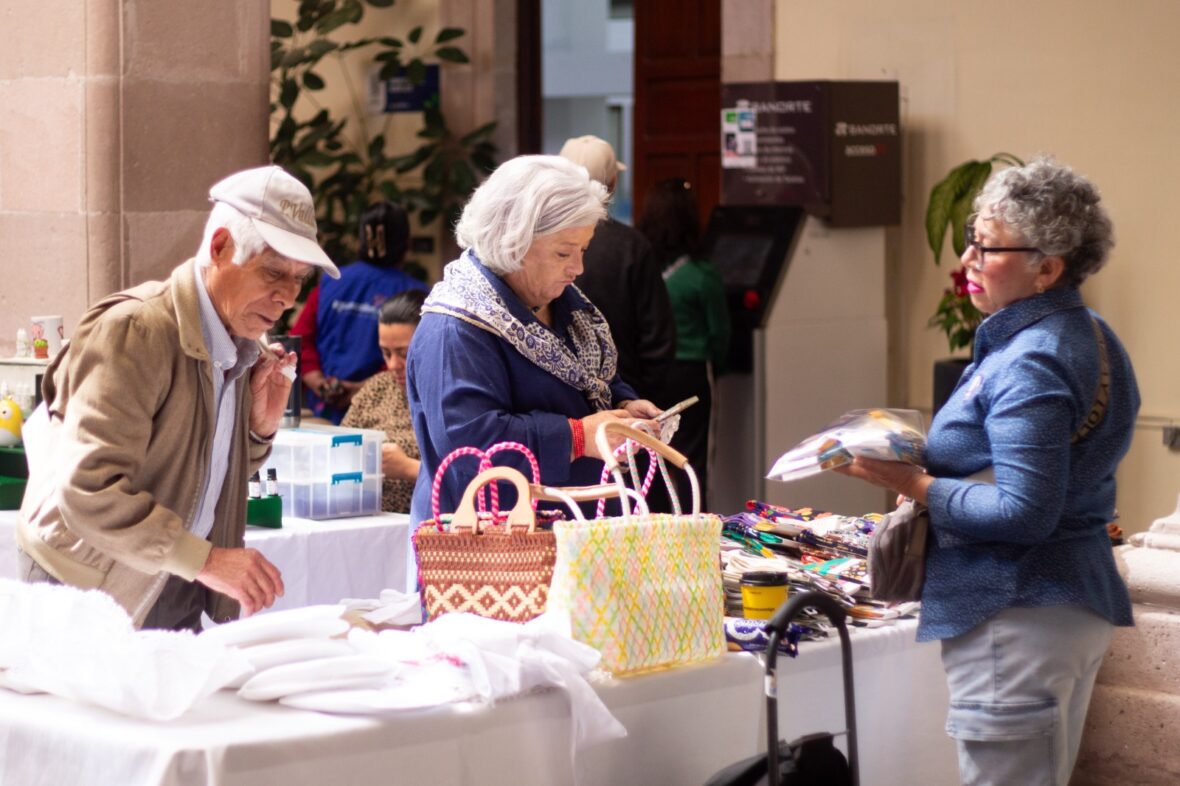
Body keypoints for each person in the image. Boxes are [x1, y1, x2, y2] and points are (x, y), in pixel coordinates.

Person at [838, 157, 1138, 786]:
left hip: (1018, 611)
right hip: (1062, 604)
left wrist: (910, 485)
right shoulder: (1092, 334)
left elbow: (1023, 512)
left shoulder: (1033, 359)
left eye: (989, 246)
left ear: (1048, 268)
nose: (970, 258)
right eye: (973, 239)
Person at [15, 165, 340, 631]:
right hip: (87, 587)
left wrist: (254, 431)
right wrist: (208, 561)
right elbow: (88, 488)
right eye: (273, 272)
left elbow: (187, 472)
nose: (287, 296)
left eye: (299, 279)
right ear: (220, 247)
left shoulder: (237, 344)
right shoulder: (135, 330)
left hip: (168, 577)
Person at [406, 155, 663, 521]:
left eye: (583, 250)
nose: (578, 268)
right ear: (513, 242)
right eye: (563, 252)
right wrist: (578, 436)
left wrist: (622, 408)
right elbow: (469, 446)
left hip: (577, 535)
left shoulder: (568, 308)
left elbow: (590, 384)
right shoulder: (455, 328)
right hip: (490, 551)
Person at [559, 135, 676, 403]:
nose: (574, 266)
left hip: (565, 400)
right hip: (622, 403)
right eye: (563, 253)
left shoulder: (539, 242)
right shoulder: (631, 246)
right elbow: (657, 339)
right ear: (612, 184)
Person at [637, 177, 730, 510]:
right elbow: (720, 335)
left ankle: (654, 522)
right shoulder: (702, 275)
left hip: (647, 375)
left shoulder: (639, 267)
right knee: (693, 459)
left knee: (650, 454)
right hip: (692, 373)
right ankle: (694, 528)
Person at [291, 200, 428, 424]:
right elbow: (416, 358)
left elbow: (300, 339)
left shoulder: (332, 281)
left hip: (323, 410)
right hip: (383, 416)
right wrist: (361, 389)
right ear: (406, 243)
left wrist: (318, 382)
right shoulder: (415, 295)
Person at [341, 289, 425, 513]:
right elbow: (338, 451)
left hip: (427, 531)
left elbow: (476, 478)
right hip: (366, 519)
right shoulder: (376, 389)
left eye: (404, 353)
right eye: (386, 353)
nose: (392, 365)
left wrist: (409, 468)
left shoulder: (451, 396)